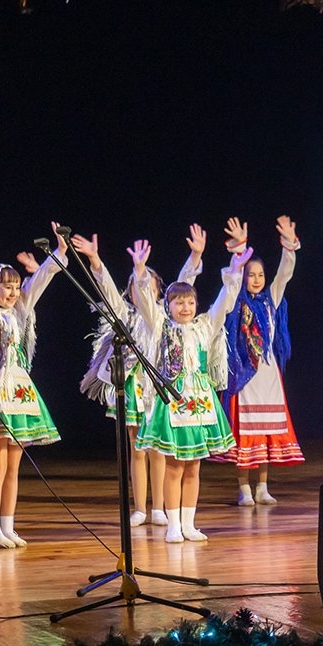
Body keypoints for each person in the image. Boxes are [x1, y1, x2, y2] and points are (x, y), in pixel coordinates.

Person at [73, 226, 205, 528]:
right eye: (135, 283)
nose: (141, 288)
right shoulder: (126, 314)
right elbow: (107, 290)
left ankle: (159, 507)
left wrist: (195, 255)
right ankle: (140, 508)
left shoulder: (162, 316)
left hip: (158, 386)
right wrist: (95, 261)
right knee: (137, 448)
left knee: (158, 448)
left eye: (147, 284)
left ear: (158, 292)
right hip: (134, 386)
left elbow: (184, 283)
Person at [131, 230, 248, 542]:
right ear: (168, 306)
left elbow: (225, 301)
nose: (185, 307)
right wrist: (140, 272)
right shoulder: (161, 327)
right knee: (174, 466)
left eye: (190, 302)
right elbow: (146, 304)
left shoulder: (205, 326)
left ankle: (189, 524)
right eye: (178, 302)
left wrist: (236, 268)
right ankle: (172, 525)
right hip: (173, 401)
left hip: (200, 402)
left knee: (194, 466)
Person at [0, 220, 67, 548]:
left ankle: (7, 526)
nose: (12, 292)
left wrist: (59, 252)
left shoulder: (19, 312)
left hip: (19, 394)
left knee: (12, 468)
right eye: (6, 286)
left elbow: (40, 282)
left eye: (16, 286)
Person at [217, 217, 304, 505]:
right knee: (246, 433)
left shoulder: (270, 301)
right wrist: (239, 250)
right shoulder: (235, 302)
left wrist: (289, 246)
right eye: (251, 274)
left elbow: (285, 274)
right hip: (244, 374)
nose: (256, 279)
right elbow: (230, 280)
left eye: (260, 274)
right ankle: (244, 488)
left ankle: (263, 487)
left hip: (267, 374)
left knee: (265, 432)